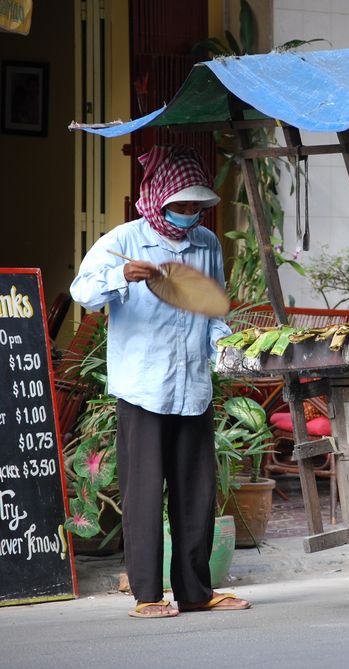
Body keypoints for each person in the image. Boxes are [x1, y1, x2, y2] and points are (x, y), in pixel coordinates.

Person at [70, 145, 251, 618]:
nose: (189, 214)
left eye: (196, 207)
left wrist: (224, 347)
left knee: (196, 493)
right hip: (142, 387)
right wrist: (121, 275)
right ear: (158, 198)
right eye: (181, 206)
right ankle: (147, 595)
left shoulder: (207, 245)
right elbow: (83, 292)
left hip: (193, 387)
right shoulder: (124, 240)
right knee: (145, 493)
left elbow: (214, 310)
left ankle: (195, 592)